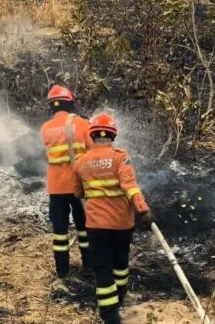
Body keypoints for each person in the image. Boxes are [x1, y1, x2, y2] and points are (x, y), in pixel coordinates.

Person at [73, 112, 154, 324]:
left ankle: (109, 316)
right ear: (113, 134)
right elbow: (130, 186)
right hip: (121, 225)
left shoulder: (80, 162)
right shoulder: (120, 157)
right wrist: (143, 210)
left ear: (92, 135)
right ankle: (119, 300)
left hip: (96, 226)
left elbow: (78, 192)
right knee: (120, 265)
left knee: (102, 269)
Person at [39, 85, 93, 285]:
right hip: (79, 186)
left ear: (51, 106)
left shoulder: (45, 128)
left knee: (60, 231)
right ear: (70, 103)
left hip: (56, 187)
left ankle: (62, 271)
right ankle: (89, 268)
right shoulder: (82, 124)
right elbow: (92, 151)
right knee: (84, 228)